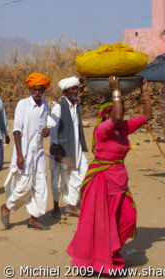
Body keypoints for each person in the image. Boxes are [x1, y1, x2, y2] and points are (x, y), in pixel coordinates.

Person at [67, 77, 152, 274]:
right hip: (103, 182)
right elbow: (116, 116)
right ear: (105, 115)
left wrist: (144, 91)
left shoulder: (124, 128)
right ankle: (102, 263)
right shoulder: (102, 129)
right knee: (103, 225)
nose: (116, 116)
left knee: (127, 219)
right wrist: (115, 89)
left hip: (119, 182)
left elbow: (147, 116)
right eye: (111, 113)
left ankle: (109, 255)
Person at [0, 72, 51, 230]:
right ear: (30, 89)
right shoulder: (23, 105)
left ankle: (33, 218)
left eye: (40, 90)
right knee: (24, 186)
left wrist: (47, 132)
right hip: (25, 152)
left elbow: (45, 127)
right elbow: (17, 130)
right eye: (34, 90)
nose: (37, 93)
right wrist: (19, 155)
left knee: (41, 186)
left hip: (39, 153)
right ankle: (7, 207)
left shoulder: (45, 106)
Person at [49, 76, 88, 219]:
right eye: (72, 89)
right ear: (65, 91)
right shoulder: (59, 106)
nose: (75, 91)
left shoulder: (77, 105)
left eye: (76, 88)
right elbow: (53, 129)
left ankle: (71, 204)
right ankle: (56, 207)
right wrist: (57, 150)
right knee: (57, 180)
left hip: (75, 147)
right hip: (61, 149)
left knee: (83, 172)